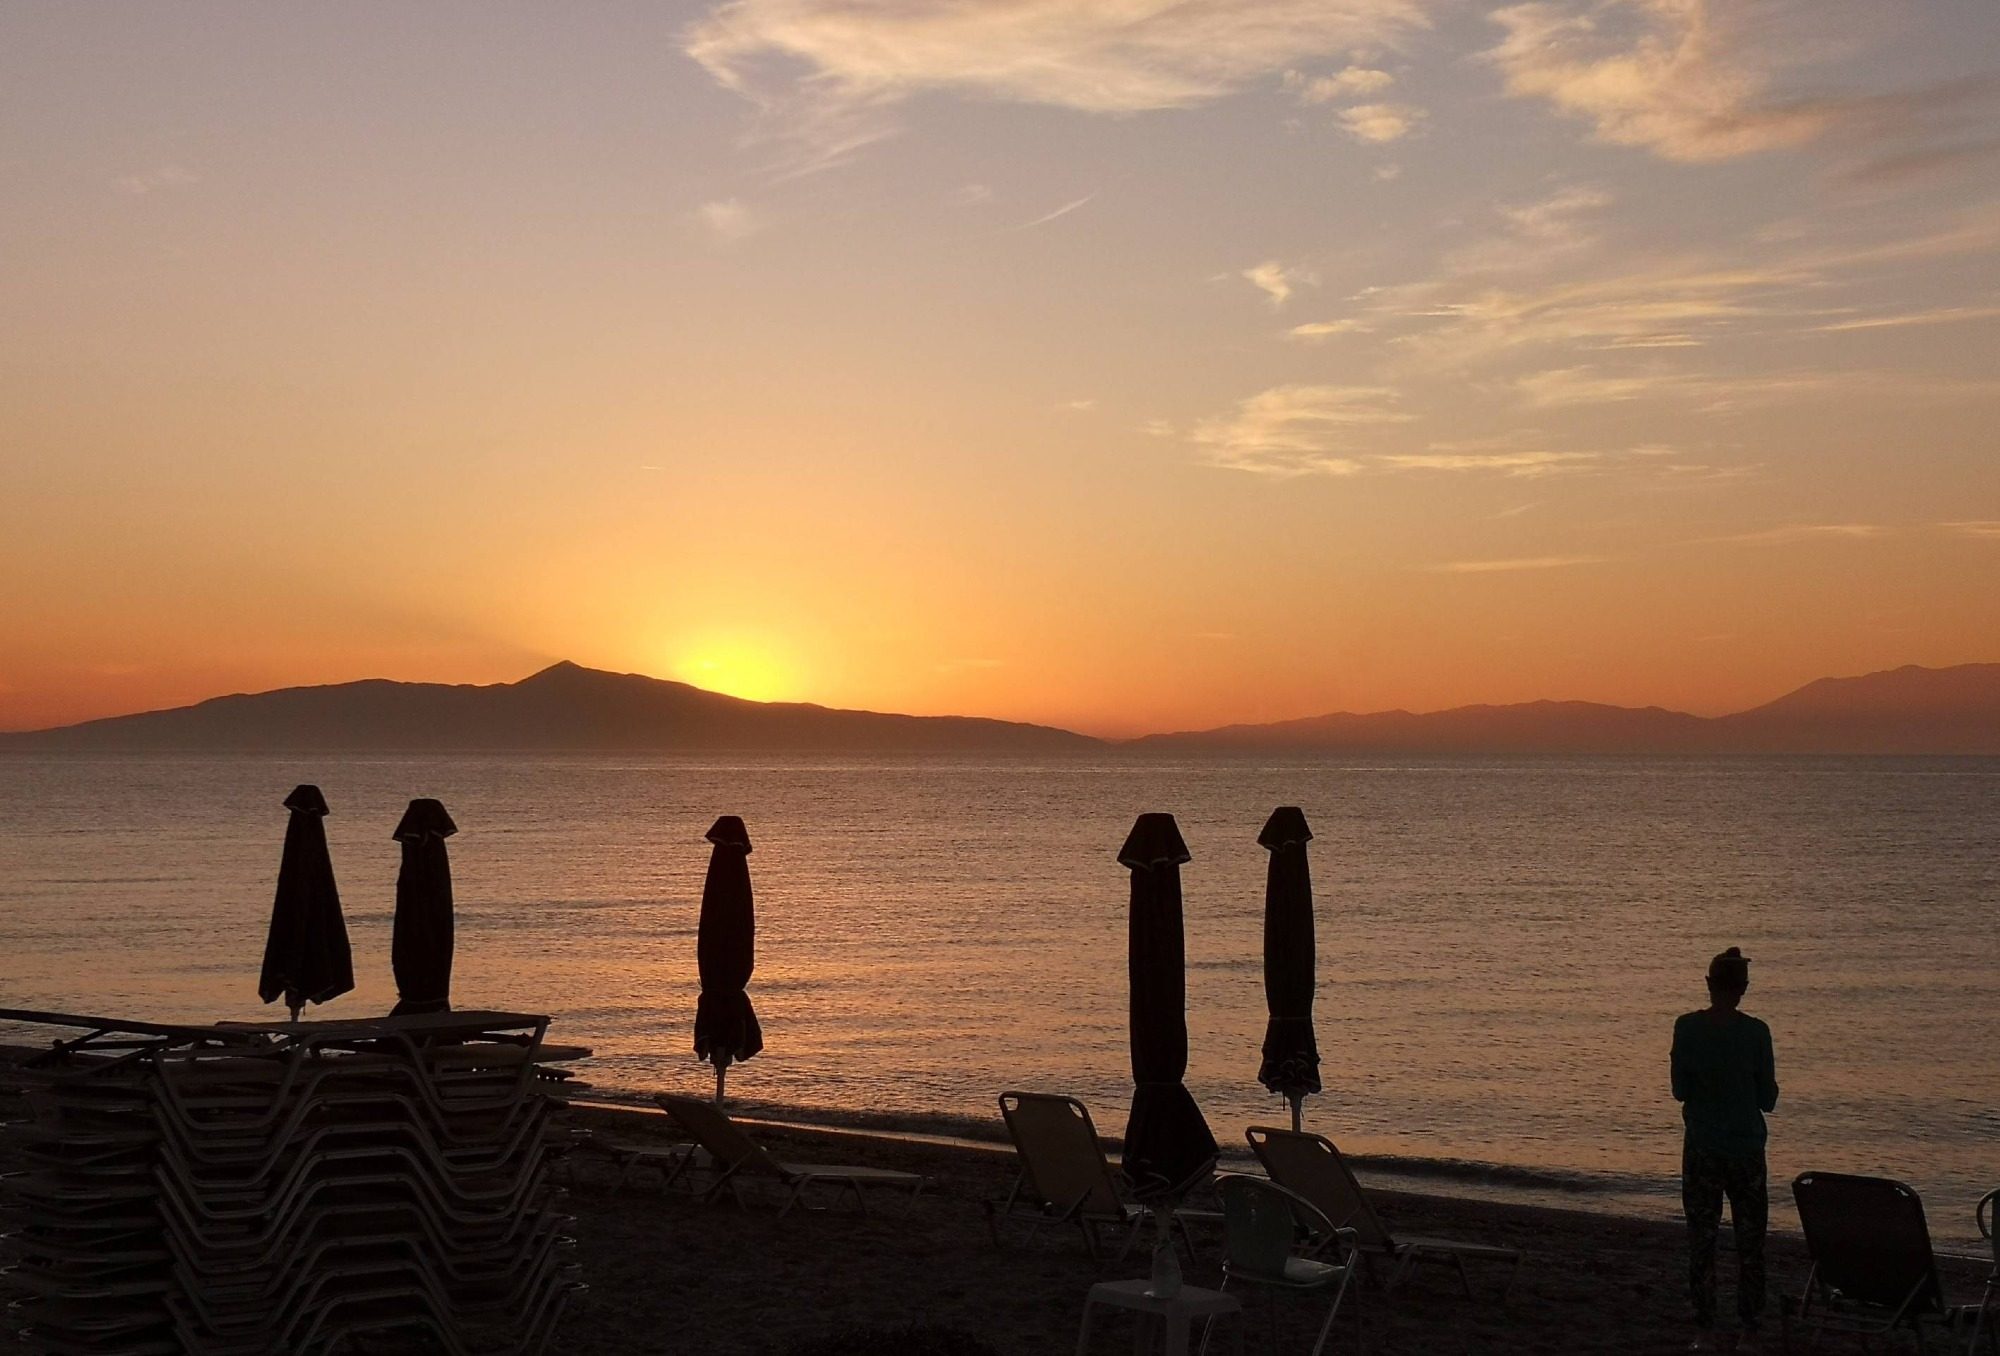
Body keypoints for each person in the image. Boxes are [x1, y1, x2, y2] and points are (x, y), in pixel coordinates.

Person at [1671, 946, 1779, 1351]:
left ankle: (1705, 1328)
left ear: (1709, 985)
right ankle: (1749, 1328)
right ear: (1743, 989)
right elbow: (1768, 1099)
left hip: (1702, 1148)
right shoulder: (1756, 1033)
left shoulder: (1686, 1028)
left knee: (1703, 1239)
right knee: (1751, 1243)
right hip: (1746, 1151)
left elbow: (1679, 1089)